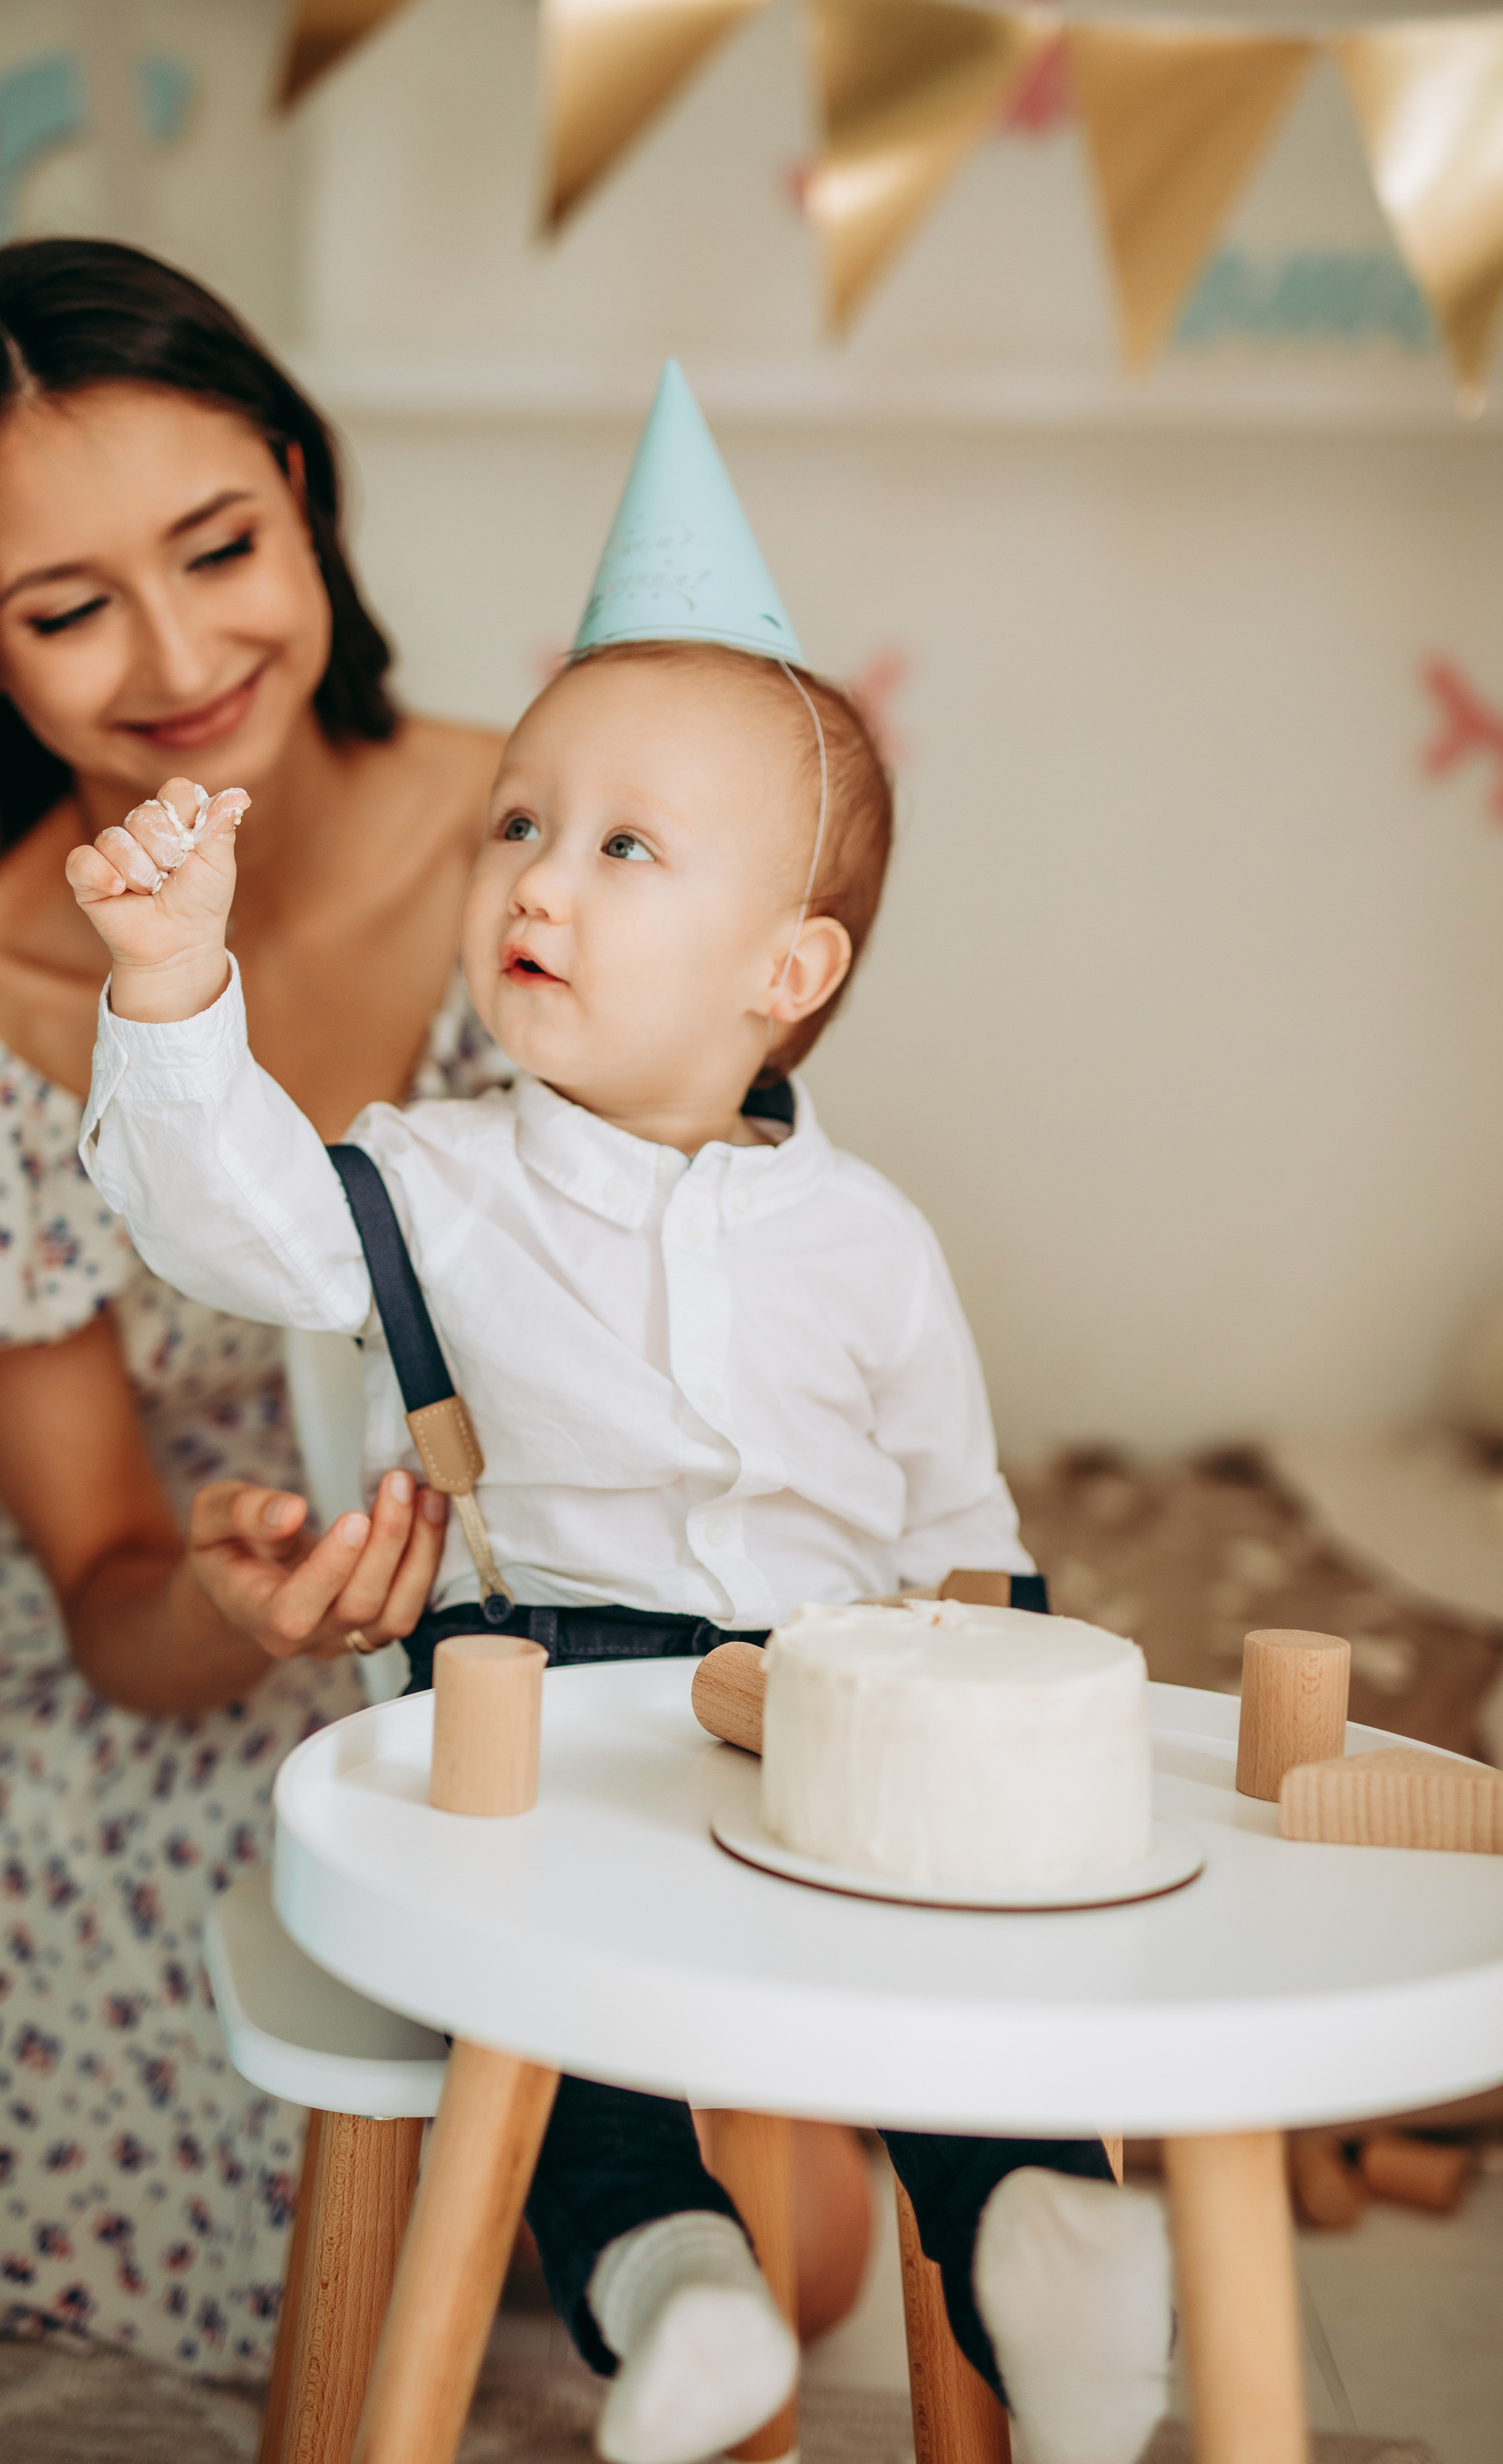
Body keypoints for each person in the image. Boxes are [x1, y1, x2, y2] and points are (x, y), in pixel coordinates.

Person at [71, 364, 1174, 2464]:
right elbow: (233, 1222)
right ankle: (674, 2291)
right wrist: (168, 989)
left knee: (957, 1959)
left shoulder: (870, 1238)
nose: (535, 882)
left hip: (842, 1703)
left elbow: (960, 1504)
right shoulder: (436, 1177)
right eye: (519, 824)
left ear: (786, 969)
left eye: (623, 846)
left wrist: (1012, 1697)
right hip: (548, 1717)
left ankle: (1038, 2224)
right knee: (553, 2002)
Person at [0, 238, 499, 2372]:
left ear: (303, 488)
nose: (176, 654)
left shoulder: (554, 843)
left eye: (218, 543)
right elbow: (121, 1591)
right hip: (150, 1640)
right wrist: (239, 1607)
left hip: (525, 1583)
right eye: (65, 607)